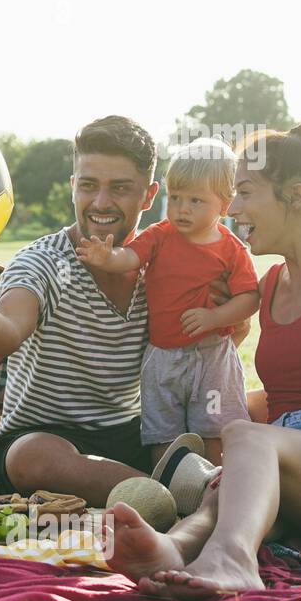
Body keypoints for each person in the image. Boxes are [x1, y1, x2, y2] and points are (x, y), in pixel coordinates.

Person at [106, 122, 301, 598]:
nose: (233, 209)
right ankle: (174, 549)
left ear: (295, 196)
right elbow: (284, 395)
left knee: (248, 445)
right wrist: (245, 429)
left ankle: (233, 561)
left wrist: (272, 448)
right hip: (292, 459)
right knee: (231, 474)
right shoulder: (268, 286)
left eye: (245, 193)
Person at [0, 115, 248, 506]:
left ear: (148, 196)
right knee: (33, 460)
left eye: (119, 188)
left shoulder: (166, 263)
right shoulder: (43, 261)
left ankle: (171, 492)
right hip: (45, 437)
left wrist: (227, 317)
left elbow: (226, 339)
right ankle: (185, 495)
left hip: (133, 433)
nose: (101, 202)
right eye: (88, 186)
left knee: (244, 416)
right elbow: (7, 333)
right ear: (72, 187)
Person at [75, 138, 259, 465]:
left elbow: (249, 298)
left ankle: (215, 488)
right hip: (162, 356)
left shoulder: (231, 249)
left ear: (225, 204)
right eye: (175, 198)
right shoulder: (161, 235)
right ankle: (171, 489)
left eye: (195, 201)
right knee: (163, 433)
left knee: (215, 430)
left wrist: (215, 318)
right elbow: (130, 257)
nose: (182, 209)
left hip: (211, 354)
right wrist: (107, 257)